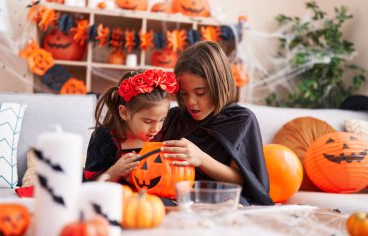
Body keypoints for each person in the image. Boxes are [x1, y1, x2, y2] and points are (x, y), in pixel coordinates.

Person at [160, 41, 274, 205]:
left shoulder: (239, 120)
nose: (190, 102)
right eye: (184, 94)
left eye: (200, 93)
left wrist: (201, 159)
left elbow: (243, 181)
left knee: (233, 204)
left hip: (220, 197)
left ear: (218, 85)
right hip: (176, 195)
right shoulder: (176, 118)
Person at [83, 69, 179, 186]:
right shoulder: (104, 138)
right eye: (147, 121)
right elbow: (90, 186)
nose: (156, 128)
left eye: (162, 120)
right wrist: (115, 171)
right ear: (124, 113)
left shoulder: (161, 136)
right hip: (118, 199)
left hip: (151, 201)